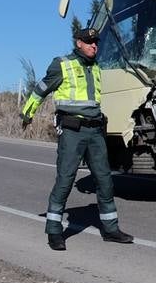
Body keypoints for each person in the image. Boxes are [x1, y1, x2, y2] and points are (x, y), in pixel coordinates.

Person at [20, 27, 134, 251]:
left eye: (96, 42)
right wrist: (27, 112)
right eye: (89, 42)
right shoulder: (62, 65)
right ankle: (54, 231)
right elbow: (41, 89)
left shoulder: (96, 67)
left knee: (104, 180)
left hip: (95, 132)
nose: (94, 46)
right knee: (65, 180)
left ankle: (110, 229)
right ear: (78, 43)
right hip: (72, 131)